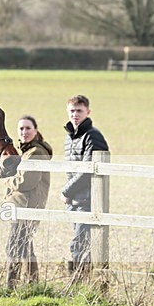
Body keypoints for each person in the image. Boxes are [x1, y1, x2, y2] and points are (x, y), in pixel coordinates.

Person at [60, 94, 109, 274]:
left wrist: (66, 191)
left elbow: (88, 171)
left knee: (80, 245)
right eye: (72, 111)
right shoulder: (70, 137)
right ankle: (81, 281)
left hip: (88, 200)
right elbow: (71, 171)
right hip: (75, 200)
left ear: (88, 112)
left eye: (79, 111)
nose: (75, 114)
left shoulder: (92, 136)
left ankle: (79, 282)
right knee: (80, 244)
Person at [3, 115, 52, 289]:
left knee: (14, 246)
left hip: (28, 206)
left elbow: (26, 182)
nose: (24, 132)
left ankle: (11, 286)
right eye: (21, 128)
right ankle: (33, 284)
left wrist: (8, 179)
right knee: (24, 246)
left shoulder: (36, 152)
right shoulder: (27, 151)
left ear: (36, 130)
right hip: (24, 205)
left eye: (28, 128)